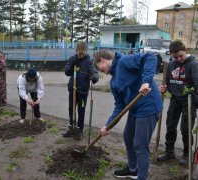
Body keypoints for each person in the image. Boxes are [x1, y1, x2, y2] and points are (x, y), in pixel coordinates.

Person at [95, 49, 162, 180]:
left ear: (102, 60)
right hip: (134, 109)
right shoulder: (113, 82)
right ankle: (133, 170)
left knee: (140, 144)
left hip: (148, 106)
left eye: (99, 67)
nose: (100, 70)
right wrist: (107, 126)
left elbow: (150, 57)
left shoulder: (124, 62)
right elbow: (119, 106)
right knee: (128, 136)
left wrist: (146, 81)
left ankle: (142, 176)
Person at [157, 40, 198, 165]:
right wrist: (164, 88)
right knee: (170, 125)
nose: (179, 59)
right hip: (175, 99)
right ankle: (169, 152)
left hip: (189, 100)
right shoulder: (170, 66)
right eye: (175, 57)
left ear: (186, 50)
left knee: (185, 128)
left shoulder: (193, 65)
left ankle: (186, 154)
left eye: (181, 55)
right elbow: (169, 83)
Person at [62, 42, 99, 139]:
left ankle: (80, 130)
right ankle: (71, 128)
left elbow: (94, 72)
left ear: (86, 51)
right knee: (71, 110)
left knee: (81, 111)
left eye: (83, 52)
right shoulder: (72, 59)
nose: (81, 54)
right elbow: (67, 72)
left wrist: (95, 77)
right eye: (79, 52)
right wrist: (74, 61)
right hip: (72, 90)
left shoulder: (89, 61)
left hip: (83, 92)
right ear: (76, 51)